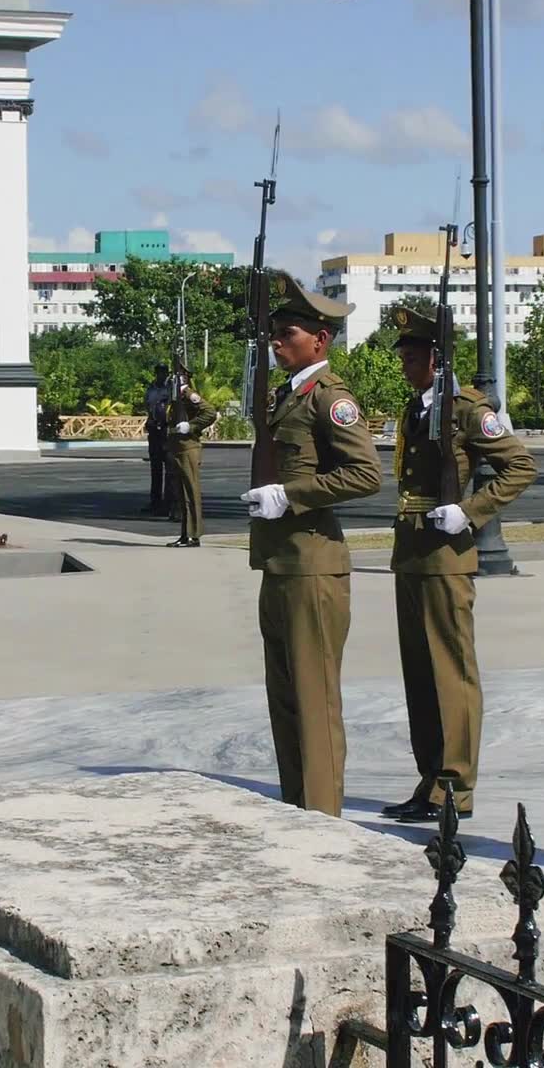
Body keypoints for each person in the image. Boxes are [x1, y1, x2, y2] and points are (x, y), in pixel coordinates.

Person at [380, 305, 537, 824]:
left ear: (436, 357)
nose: (404, 361)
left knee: (451, 672)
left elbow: (519, 466)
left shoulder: (468, 408)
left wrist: (470, 512)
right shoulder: (417, 408)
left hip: (447, 554)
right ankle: (430, 779)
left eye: (413, 353)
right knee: (420, 675)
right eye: (403, 352)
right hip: (413, 550)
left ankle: (456, 784)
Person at [240, 271, 382, 816]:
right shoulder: (288, 396)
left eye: (288, 332)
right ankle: (298, 808)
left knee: (315, 702)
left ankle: (323, 820)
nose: (277, 341)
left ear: (319, 340)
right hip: (280, 563)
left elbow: (365, 474)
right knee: (287, 702)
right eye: (275, 332)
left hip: (314, 566)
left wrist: (291, 495)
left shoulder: (330, 399)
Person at [166, 375, 218, 547]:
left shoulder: (189, 395)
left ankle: (193, 535)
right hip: (177, 448)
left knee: (191, 491)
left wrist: (192, 426)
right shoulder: (176, 398)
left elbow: (210, 412)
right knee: (181, 493)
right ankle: (185, 534)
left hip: (188, 448)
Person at [143, 363, 174, 516]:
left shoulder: (171, 388)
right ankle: (155, 501)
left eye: (164, 372)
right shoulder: (151, 388)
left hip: (166, 430)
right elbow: (148, 405)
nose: (161, 375)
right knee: (155, 469)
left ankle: (168, 503)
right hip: (154, 429)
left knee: (169, 469)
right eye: (159, 372)